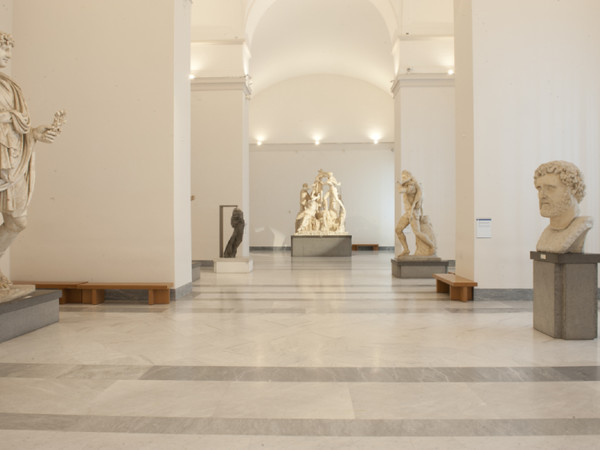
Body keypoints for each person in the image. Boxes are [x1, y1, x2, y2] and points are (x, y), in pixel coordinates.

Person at [0, 32, 60, 288]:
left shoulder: (10, 86)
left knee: (18, 221)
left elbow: (17, 127)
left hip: (12, 159)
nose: (8, 54)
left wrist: (34, 133)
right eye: (3, 48)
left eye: (9, 49)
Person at [534, 160, 592, 253]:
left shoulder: (581, 225)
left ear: (572, 189)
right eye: (539, 188)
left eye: (550, 188)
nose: (542, 195)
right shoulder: (546, 234)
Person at [395, 170, 436, 256]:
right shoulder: (408, 185)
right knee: (398, 230)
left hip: (413, 213)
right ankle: (406, 250)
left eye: (404, 177)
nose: (402, 178)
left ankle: (432, 246)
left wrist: (399, 184)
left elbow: (401, 190)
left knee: (417, 232)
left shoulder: (412, 186)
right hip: (408, 213)